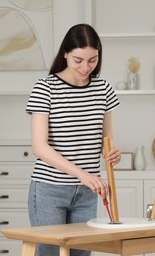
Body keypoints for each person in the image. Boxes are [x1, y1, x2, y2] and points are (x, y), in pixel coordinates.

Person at [25, 23, 121, 256]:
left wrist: (112, 152)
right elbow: (39, 147)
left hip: (87, 191)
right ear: (65, 53)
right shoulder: (45, 88)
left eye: (92, 60)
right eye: (78, 60)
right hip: (50, 189)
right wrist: (83, 174)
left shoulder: (103, 89)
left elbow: (105, 139)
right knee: (48, 251)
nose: (85, 67)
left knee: (81, 252)